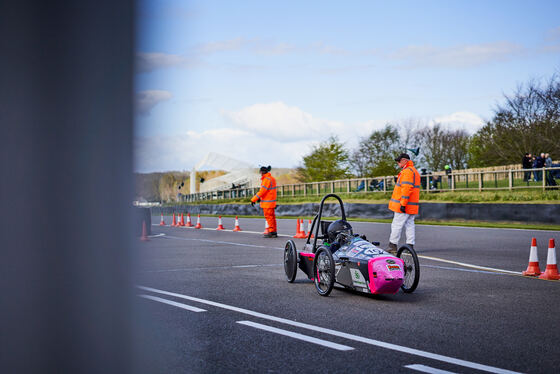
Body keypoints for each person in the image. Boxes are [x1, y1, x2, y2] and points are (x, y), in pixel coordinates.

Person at [386, 153, 421, 254]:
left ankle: (392, 245)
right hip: (411, 205)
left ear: (405, 160)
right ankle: (410, 246)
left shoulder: (407, 172)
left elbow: (406, 189)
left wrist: (403, 204)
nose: (397, 163)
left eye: (399, 161)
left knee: (396, 224)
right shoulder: (414, 171)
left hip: (404, 205)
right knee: (409, 224)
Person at [251, 165, 278, 238]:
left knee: (269, 217)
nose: (260, 174)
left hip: (267, 203)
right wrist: (260, 197)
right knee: (272, 218)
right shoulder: (271, 179)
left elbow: (262, 191)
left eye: (260, 172)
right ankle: (274, 231)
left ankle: (272, 232)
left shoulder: (266, 179)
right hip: (271, 202)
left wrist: (254, 199)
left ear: (262, 172)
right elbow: (268, 191)